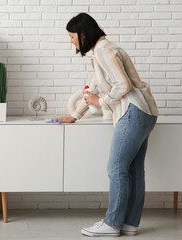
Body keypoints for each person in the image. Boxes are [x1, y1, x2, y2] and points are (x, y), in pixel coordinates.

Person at [59, 13, 158, 237]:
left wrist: (101, 102)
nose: (71, 42)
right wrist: (76, 115)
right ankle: (129, 224)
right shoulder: (103, 50)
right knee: (133, 169)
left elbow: (121, 85)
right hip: (146, 112)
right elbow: (93, 89)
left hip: (133, 112)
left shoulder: (104, 51)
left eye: (72, 37)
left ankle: (112, 224)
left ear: (83, 34)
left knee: (116, 168)